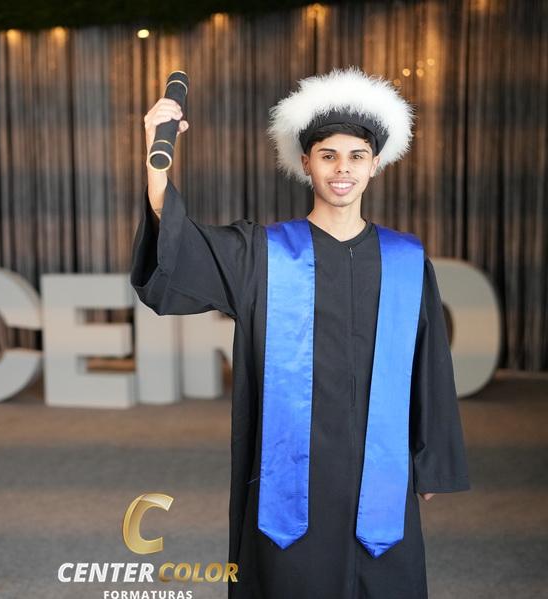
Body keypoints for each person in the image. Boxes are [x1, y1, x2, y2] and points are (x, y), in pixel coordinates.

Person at [130, 66, 471, 599]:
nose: (343, 169)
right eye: (328, 155)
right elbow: (184, 248)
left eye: (357, 156)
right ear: (306, 162)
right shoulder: (265, 253)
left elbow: (430, 363)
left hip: (378, 470)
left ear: (375, 164)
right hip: (290, 474)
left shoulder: (405, 260)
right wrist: (157, 160)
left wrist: (433, 461)